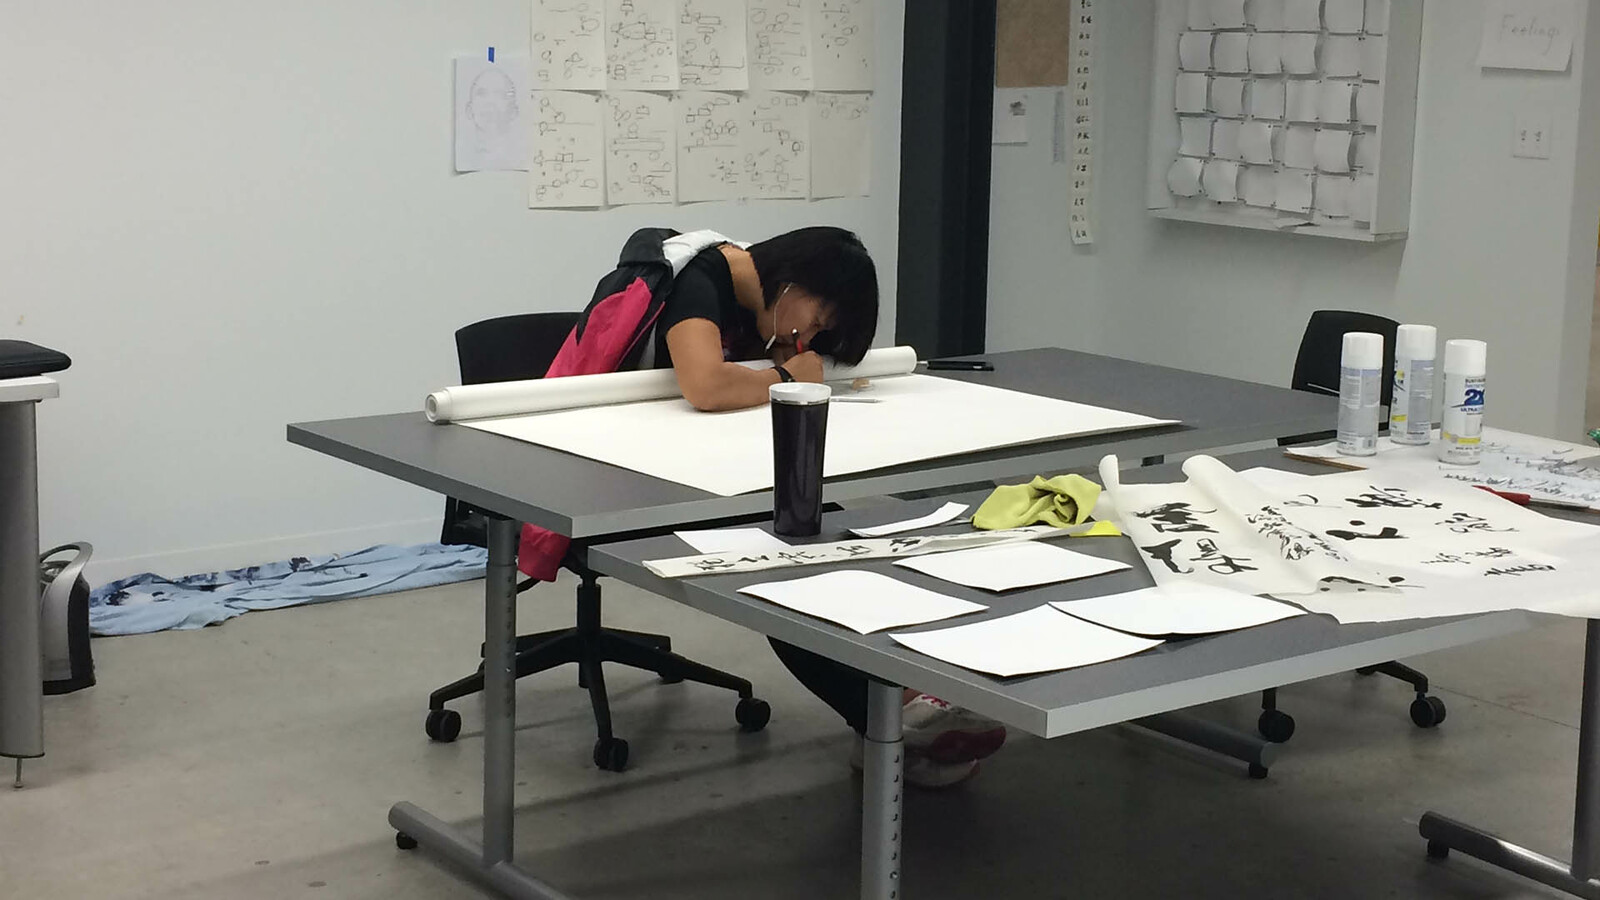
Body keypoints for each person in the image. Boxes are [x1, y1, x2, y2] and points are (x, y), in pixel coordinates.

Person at [639, 226, 1007, 788]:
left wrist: (784, 354)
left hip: (718, 466)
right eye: (813, 320)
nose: (807, 335)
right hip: (636, 477)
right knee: (784, 566)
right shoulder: (701, 280)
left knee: (826, 537)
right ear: (789, 283)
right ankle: (889, 717)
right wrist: (786, 374)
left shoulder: (758, 300)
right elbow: (706, 386)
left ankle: (885, 723)